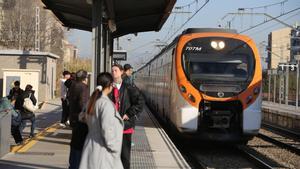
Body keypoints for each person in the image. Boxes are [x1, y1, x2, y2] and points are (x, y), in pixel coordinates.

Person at [79, 72, 124, 169]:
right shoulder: (105, 104)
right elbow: (107, 130)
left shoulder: (93, 100)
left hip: (91, 148)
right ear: (110, 85)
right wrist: (115, 148)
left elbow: (82, 116)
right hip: (103, 151)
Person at [110, 64, 144, 169]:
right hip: (112, 127)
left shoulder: (129, 88)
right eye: (112, 71)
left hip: (125, 127)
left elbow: (140, 102)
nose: (113, 72)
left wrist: (129, 113)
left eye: (116, 70)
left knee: (125, 156)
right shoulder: (109, 88)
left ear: (121, 72)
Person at [68, 70, 89, 169]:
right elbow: (83, 104)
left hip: (73, 119)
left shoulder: (73, 86)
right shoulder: (83, 87)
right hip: (81, 121)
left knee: (75, 145)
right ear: (85, 78)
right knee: (79, 147)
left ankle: (72, 165)